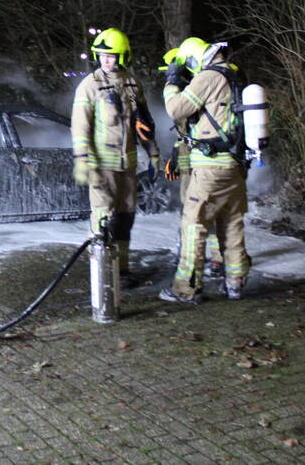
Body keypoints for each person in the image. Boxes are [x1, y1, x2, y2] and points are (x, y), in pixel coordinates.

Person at [159, 37, 251, 304]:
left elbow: (176, 109)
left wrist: (172, 82)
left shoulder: (209, 76)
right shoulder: (235, 74)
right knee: (231, 223)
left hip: (210, 167)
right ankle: (235, 284)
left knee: (193, 226)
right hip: (235, 164)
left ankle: (185, 289)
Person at [72, 28, 159, 284]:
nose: (106, 60)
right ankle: (101, 272)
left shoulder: (132, 84)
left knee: (125, 218)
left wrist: (154, 155)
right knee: (103, 218)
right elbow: (80, 126)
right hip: (102, 167)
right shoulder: (90, 85)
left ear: (123, 56)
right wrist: (81, 159)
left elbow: (143, 125)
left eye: (112, 56)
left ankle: (121, 271)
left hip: (127, 166)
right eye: (102, 56)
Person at [162, 48, 224, 278]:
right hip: (191, 164)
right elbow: (183, 133)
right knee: (190, 212)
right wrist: (176, 158)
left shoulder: (200, 88)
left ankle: (219, 258)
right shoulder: (191, 89)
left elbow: (183, 114)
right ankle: (189, 253)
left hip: (207, 163)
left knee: (211, 211)